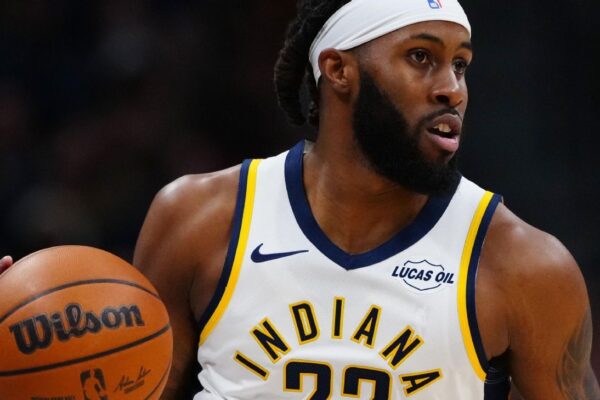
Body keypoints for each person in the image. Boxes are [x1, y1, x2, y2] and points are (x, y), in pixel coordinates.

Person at [2, 0, 597, 399]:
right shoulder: (199, 218)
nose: (452, 89)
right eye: (422, 58)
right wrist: (24, 350)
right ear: (338, 70)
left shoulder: (525, 266)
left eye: (460, 65)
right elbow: (131, 385)